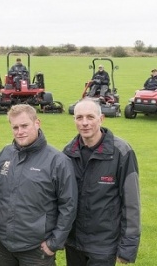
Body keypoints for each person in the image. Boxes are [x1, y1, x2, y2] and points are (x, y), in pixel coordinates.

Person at [0, 104, 78, 266]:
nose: (20, 131)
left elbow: (69, 205)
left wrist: (55, 242)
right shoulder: (5, 154)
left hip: (37, 249)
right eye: (15, 127)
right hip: (4, 244)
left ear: (37, 123)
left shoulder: (58, 161)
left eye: (24, 125)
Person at [63, 98, 141, 266]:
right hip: (73, 242)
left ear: (101, 118)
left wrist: (128, 247)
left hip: (104, 245)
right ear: (74, 120)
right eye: (79, 117)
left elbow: (131, 203)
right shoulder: (68, 152)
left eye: (90, 117)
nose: (84, 123)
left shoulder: (122, 152)